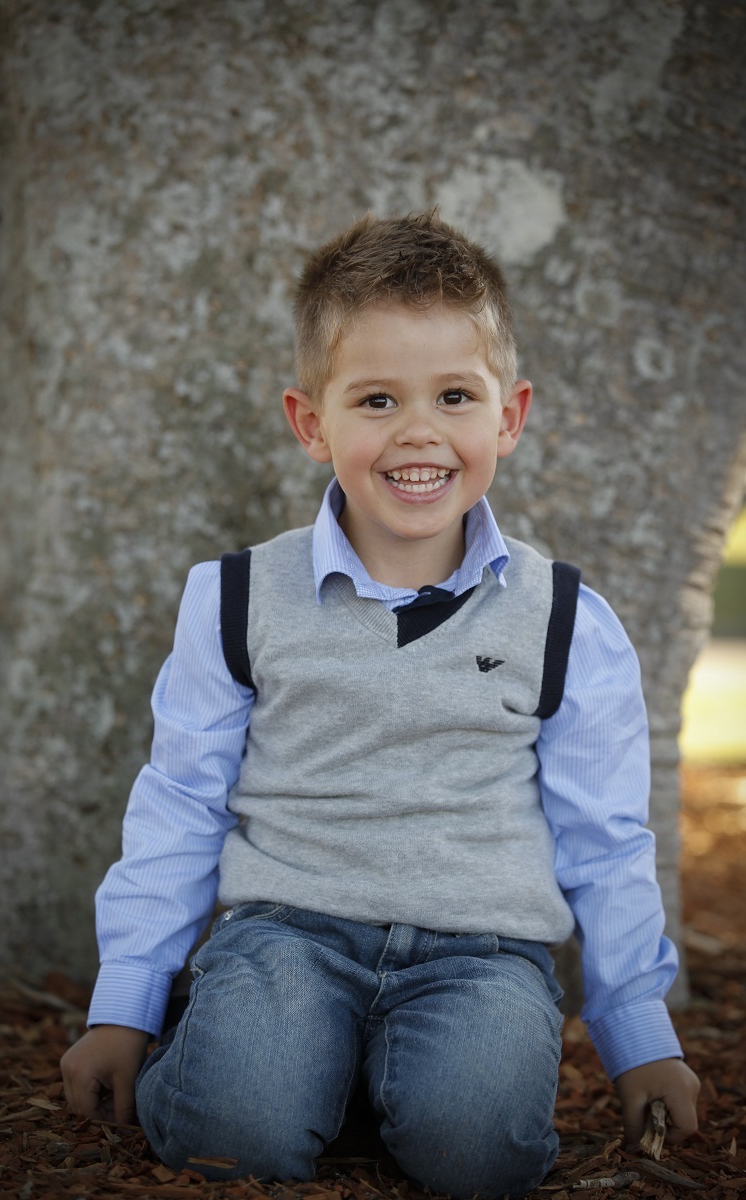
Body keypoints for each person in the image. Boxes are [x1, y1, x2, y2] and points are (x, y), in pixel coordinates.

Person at [61, 210, 699, 1199]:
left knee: (476, 1155)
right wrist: (125, 1005)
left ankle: (354, 1079)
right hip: (288, 934)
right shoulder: (234, 598)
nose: (417, 431)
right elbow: (180, 804)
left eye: (453, 394)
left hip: (479, 955)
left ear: (508, 416)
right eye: (374, 399)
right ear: (310, 421)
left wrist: (634, 1032)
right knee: (235, 1138)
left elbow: (603, 839)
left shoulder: (563, 616)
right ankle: (263, 1060)